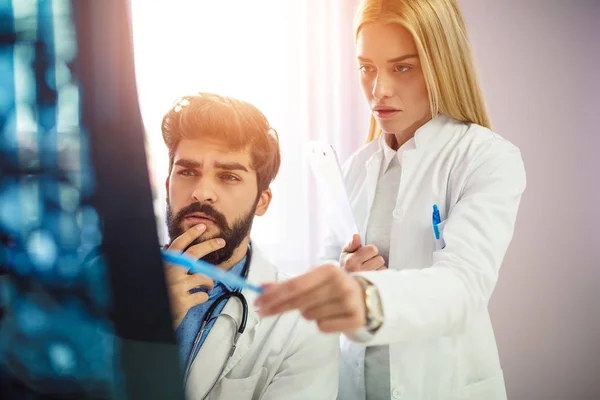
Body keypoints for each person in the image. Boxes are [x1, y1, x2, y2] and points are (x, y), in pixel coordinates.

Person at [255, 0, 527, 399]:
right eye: (367, 68)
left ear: (441, 64)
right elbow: (329, 264)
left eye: (402, 67)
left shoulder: (486, 158)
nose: (378, 89)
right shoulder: (355, 167)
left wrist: (368, 298)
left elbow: (464, 286)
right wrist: (343, 274)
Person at [161, 92, 339, 399]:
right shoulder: (99, 285)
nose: (202, 193)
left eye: (228, 176)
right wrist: (148, 323)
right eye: (187, 172)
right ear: (167, 186)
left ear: (262, 201)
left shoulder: (304, 325)